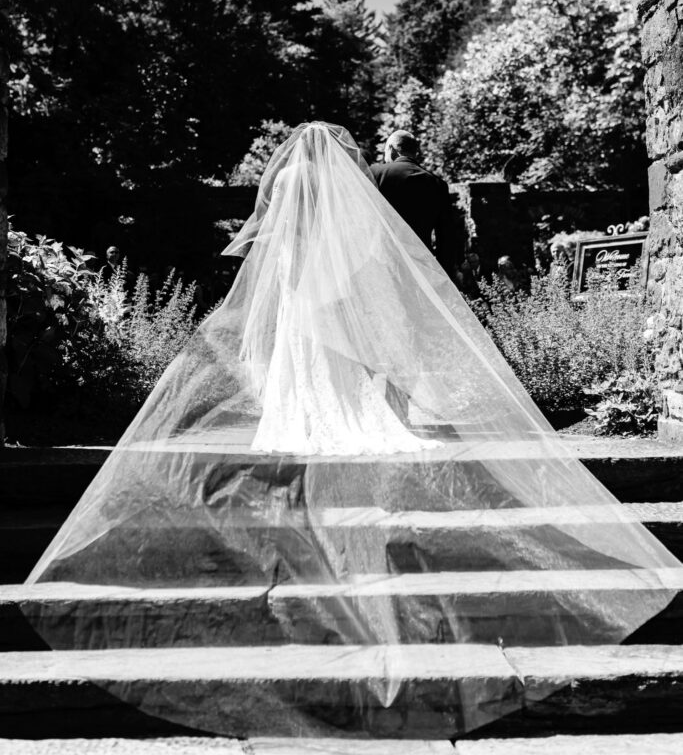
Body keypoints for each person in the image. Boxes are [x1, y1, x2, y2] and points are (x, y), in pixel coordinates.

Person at [23, 122, 682, 743]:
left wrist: (291, 293)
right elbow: (365, 246)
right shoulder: (350, 190)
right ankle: (339, 415)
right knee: (343, 382)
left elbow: (271, 245)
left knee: (300, 380)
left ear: (290, 155)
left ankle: (300, 416)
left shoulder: (282, 187)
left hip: (296, 296)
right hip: (332, 298)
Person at [370, 130, 456, 276]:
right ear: (415, 152)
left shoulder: (376, 174)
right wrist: (444, 273)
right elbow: (446, 235)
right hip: (420, 267)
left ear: (391, 149)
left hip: (383, 264)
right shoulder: (437, 184)